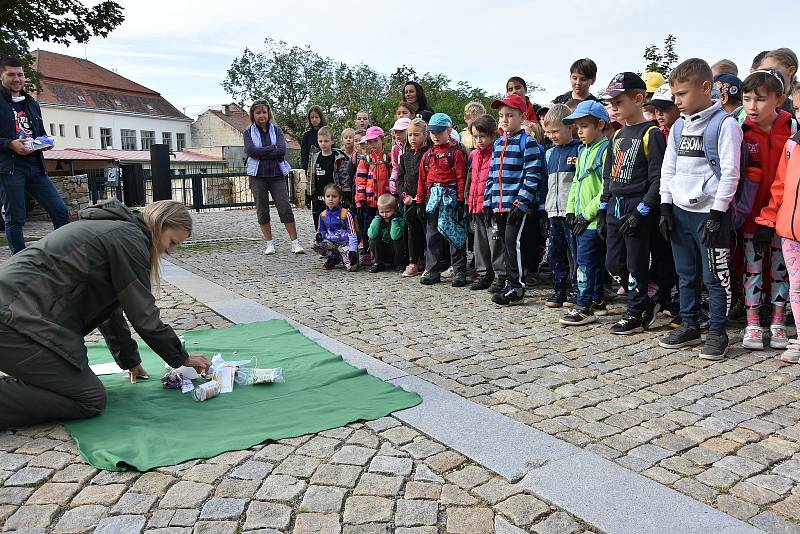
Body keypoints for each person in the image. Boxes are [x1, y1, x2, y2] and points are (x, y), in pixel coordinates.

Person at [0, 199, 212, 429]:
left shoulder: (118, 231)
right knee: (89, 398)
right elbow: (144, 316)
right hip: (14, 320)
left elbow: (110, 311)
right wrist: (182, 358)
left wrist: (129, 359)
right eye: (172, 242)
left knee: (76, 386)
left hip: (17, 315)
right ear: (161, 224)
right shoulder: (130, 240)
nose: (170, 251)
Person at [658, 58, 743, 360]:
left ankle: (718, 331)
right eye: (674, 94)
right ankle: (690, 323)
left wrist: (719, 212)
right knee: (686, 273)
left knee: (715, 277)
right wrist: (665, 204)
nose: (676, 101)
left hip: (709, 215)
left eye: (681, 94)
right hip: (679, 211)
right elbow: (669, 167)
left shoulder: (725, 124)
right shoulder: (679, 126)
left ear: (706, 88)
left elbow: (731, 172)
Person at [598, 72, 666, 334]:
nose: (613, 106)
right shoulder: (616, 136)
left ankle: (636, 311)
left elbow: (658, 178)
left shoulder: (652, 134)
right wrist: (604, 209)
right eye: (611, 101)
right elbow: (608, 175)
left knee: (636, 262)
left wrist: (642, 211)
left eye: (618, 100)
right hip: (615, 204)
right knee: (613, 263)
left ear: (638, 98)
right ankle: (644, 299)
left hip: (637, 206)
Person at [739, 70, 796, 350]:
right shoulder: (741, 129)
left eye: (760, 99)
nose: (752, 106)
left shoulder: (792, 128)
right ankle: (752, 322)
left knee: (780, 269)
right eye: (747, 98)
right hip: (752, 217)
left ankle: (777, 320)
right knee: (752, 269)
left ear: (780, 99)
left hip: (785, 217)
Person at [0, 56, 70, 254]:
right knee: (16, 218)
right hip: (10, 168)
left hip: (36, 166)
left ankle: (63, 255)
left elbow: (38, 132)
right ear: (1, 76)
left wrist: (44, 142)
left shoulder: (31, 103)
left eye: (20, 74)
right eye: (11, 74)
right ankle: (20, 262)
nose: (17, 79)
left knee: (60, 212)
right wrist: (10, 144)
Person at [485, 94, 546, 305]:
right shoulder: (499, 143)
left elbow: (532, 175)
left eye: (510, 115)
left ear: (522, 116)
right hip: (499, 205)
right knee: (505, 243)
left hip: (516, 205)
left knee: (514, 243)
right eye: (501, 115)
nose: (504, 119)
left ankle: (517, 287)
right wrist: (487, 202)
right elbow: (492, 175)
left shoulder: (527, 142)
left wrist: (521, 203)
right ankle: (511, 282)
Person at [559, 101, 610, 325]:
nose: (579, 131)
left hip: (592, 219)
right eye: (577, 127)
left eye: (584, 126)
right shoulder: (583, 149)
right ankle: (597, 299)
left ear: (600, 125)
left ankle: (584, 304)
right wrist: (571, 210)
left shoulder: (606, 150)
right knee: (591, 262)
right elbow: (577, 184)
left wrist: (587, 214)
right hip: (580, 218)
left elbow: (606, 188)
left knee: (586, 264)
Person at [754, 124, 800, 362]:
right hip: (790, 232)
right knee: (797, 286)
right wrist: (769, 218)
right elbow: (780, 186)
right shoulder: (792, 144)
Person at [244, 100, 304, 255]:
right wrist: (272, 148)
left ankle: (295, 242)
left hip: (277, 174)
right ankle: (269, 243)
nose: (261, 115)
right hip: (257, 176)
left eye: (264, 112)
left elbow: (281, 151)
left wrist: (262, 151)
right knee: (262, 210)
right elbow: (252, 152)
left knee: (284, 207)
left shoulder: (277, 131)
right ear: (253, 115)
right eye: (258, 113)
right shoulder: (248, 133)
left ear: (268, 113)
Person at [416, 113, 468, 287]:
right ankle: (433, 269)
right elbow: (422, 181)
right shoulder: (427, 155)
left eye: (439, 132)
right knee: (432, 235)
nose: (435, 136)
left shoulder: (457, 154)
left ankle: (459, 269)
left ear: (449, 131)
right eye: (432, 132)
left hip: (451, 200)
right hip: (433, 200)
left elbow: (461, 178)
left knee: (455, 234)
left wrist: (461, 201)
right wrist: (420, 202)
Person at [542, 104, 580, 307]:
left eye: (555, 131)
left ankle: (576, 289)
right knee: (555, 252)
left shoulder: (579, 150)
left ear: (570, 127)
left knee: (574, 253)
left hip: (570, 211)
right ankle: (559, 289)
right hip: (552, 211)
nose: (552, 136)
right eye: (548, 132)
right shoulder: (550, 154)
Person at [467, 114, 499, 291]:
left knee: (495, 243)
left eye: (482, 136)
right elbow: (470, 180)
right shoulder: (473, 155)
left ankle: (499, 274)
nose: (479, 140)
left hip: (491, 207)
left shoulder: (496, 153)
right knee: (479, 244)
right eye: (476, 137)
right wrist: (467, 203)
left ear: (492, 135)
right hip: (475, 206)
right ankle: (483, 273)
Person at [397, 118, 430, 277]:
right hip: (408, 200)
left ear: (425, 135)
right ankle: (413, 261)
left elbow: (429, 178)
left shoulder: (429, 154)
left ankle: (428, 260)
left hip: (424, 200)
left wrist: (419, 197)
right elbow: (400, 178)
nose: (412, 138)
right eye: (409, 135)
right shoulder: (405, 157)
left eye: (416, 135)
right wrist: (404, 195)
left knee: (427, 231)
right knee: (412, 230)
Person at [355, 126, 391, 265]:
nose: (372, 145)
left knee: (386, 228)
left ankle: (385, 254)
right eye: (370, 142)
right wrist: (360, 199)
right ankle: (367, 252)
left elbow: (392, 176)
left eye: (375, 141)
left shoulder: (387, 158)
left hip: (386, 201)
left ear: (382, 140)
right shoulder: (366, 159)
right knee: (368, 228)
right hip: (369, 201)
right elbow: (360, 180)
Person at [306, 126, 354, 229]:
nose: (323, 143)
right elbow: (310, 175)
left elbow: (344, 175)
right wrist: (309, 192)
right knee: (319, 219)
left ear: (332, 141)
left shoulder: (339, 157)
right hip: (318, 196)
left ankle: (336, 238)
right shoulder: (314, 157)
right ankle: (320, 238)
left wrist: (345, 191)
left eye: (326, 141)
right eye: (320, 141)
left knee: (335, 219)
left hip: (334, 195)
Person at [313, 184, 359, 272]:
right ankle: (334, 257)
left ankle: (348, 256)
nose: (330, 199)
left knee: (351, 268)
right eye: (328, 196)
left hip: (345, 243)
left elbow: (352, 234)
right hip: (331, 243)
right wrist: (319, 236)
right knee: (316, 244)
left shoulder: (346, 214)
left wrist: (353, 250)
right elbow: (320, 231)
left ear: (340, 198)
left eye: (334, 196)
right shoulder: (322, 215)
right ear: (324, 198)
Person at [368, 193, 406, 273]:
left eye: (388, 211)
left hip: (395, 251)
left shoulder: (399, 220)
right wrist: (377, 220)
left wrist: (394, 221)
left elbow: (395, 236)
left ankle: (398, 263)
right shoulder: (377, 219)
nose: (384, 215)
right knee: (373, 239)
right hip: (381, 251)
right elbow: (371, 234)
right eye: (382, 212)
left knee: (397, 240)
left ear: (394, 209)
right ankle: (378, 263)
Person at [757, 48, 798, 115]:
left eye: (772, 71)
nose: (766, 74)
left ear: (791, 70)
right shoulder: (752, 99)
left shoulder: (796, 100)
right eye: (763, 70)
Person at [301, 106, 325, 178]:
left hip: (325, 168)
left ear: (321, 117)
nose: (314, 119)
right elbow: (304, 155)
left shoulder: (327, 133)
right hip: (311, 172)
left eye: (316, 117)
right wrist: (308, 169)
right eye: (312, 117)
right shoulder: (306, 135)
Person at [389, 118, 410, 196]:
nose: (397, 134)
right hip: (401, 184)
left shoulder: (415, 147)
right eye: (395, 131)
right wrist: (392, 179)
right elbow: (395, 167)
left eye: (401, 131)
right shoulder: (395, 148)